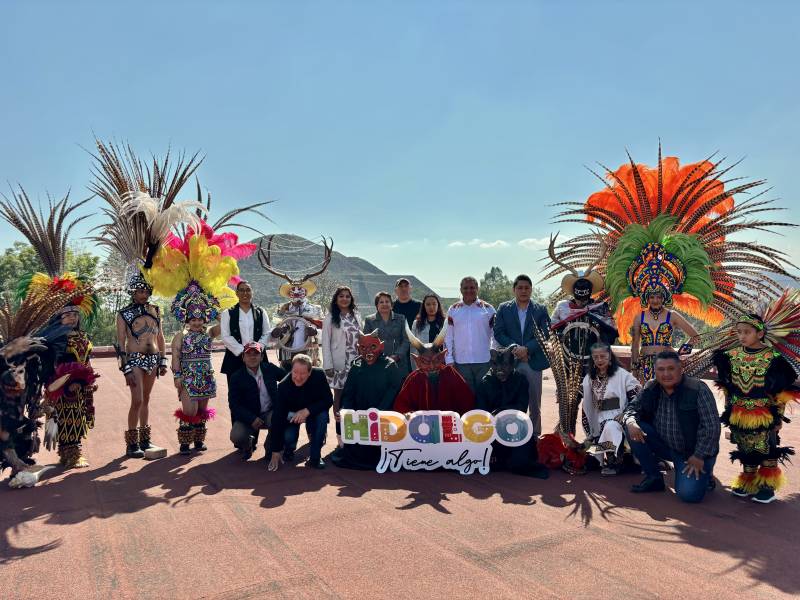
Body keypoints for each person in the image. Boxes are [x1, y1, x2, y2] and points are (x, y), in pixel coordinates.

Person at [713, 303, 799, 504]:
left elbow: (782, 391)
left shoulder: (774, 358)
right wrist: (729, 410)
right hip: (739, 412)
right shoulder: (730, 357)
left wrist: (778, 416)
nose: (742, 336)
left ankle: (767, 487)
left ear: (760, 334)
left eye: (747, 332)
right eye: (739, 332)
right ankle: (748, 481)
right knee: (744, 447)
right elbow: (727, 386)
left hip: (764, 413)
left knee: (767, 448)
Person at [623, 351, 720, 503]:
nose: (666, 374)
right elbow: (632, 408)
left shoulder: (698, 389)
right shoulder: (651, 387)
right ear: (655, 371)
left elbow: (712, 427)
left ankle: (705, 474)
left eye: (671, 369)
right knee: (633, 426)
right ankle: (654, 477)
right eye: (661, 370)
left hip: (693, 453)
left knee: (688, 495)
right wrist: (630, 421)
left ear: (680, 368)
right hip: (668, 447)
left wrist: (699, 455)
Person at [330, 330, 402, 469]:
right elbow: (349, 394)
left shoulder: (389, 365)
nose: (368, 351)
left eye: (372, 347)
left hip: (383, 417)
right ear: (358, 348)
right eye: (363, 348)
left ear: (380, 346)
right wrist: (345, 410)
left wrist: (380, 411)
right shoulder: (356, 366)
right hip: (361, 418)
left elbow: (394, 390)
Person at [259, 235, 332, 370]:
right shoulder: (282, 311)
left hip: (310, 354)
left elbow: (324, 331)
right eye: (293, 291)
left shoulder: (315, 309)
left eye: (300, 290)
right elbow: (273, 331)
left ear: (306, 292)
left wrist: (315, 331)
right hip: (287, 355)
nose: (297, 293)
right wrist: (276, 332)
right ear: (289, 294)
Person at [116, 272, 168, 458]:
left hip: (153, 358)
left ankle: (145, 439)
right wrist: (126, 367)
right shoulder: (124, 314)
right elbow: (121, 342)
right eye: (140, 290)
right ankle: (132, 444)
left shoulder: (155, 310)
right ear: (133, 292)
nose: (144, 294)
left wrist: (163, 359)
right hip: (135, 359)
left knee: (146, 399)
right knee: (136, 400)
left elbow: (160, 337)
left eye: (146, 290)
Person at [476, 347, 548, 478]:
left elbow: (521, 407)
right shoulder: (485, 383)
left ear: (512, 364)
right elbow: (481, 412)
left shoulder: (520, 380)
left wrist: (501, 411)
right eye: (495, 365)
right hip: (491, 431)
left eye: (504, 365)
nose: (499, 369)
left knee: (520, 462)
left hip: (515, 428)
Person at [493, 274, 550, 437]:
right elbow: (499, 332)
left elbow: (546, 333)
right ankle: (511, 435)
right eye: (520, 288)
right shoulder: (504, 308)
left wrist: (527, 349)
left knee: (534, 402)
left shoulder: (540, 309)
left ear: (531, 289)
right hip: (510, 362)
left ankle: (534, 436)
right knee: (511, 400)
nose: (523, 291)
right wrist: (515, 348)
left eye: (527, 288)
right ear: (514, 290)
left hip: (532, 361)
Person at [548, 237, 618, 367]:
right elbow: (551, 328)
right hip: (567, 360)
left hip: (594, 363)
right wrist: (559, 336)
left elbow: (611, 334)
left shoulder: (599, 308)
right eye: (579, 288)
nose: (582, 292)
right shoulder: (562, 307)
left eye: (585, 287)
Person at [170, 284, 221, 455]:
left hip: (206, 376)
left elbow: (224, 326)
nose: (197, 322)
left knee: (201, 409)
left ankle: (199, 441)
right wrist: (177, 376)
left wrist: (215, 309)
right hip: (188, 377)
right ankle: (185, 443)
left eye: (200, 319)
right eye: (193, 320)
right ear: (187, 321)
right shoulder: (180, 336)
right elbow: (176, 356)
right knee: (189, 410)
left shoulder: (209, 334)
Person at [45, 304, 98, 469]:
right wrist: (66, 382)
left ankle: (70, 454)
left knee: (79, 416)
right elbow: (53, 364)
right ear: (59, 318)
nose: (72, 317)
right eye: (67, 315)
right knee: (66, 417)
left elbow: (87, 360)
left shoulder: (83, 335)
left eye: (75, 314)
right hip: (63, 384)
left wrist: (89, 379)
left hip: (82, 384)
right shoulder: (55, 337)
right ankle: (71, 455)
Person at [578, 343, 640, 476]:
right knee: (588, 458)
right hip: (598, 418)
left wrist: (624, 413)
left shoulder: (623, 375)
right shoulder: (589, 378)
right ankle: (605, 457)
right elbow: (587, 402)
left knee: (611, 426)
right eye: (596, 357)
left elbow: (636, 396)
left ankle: (616, 462)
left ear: (610, 356)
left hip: (621, 416)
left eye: (603, 356)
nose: (599, 360)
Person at [268, 354, 333, 471]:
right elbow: (277, 417)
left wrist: (308, 411)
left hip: (312, 413)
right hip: (292, 416)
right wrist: (275, 451)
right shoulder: (283, 386)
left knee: (322, 416)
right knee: (288, 437)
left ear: (310, 372)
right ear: (291, 370)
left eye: (302, 373)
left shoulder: (319, 375)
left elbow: (328, 399)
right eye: (295, 372)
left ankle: (315, 457)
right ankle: (288, 449)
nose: (298, 377)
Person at [394, 324, 475, 414]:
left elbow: (466, 400)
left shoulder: (450, 374)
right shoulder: (414, 378)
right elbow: (401, 405)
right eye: (426, 362)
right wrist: (409, 414)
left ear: (442, 357)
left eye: (436, 360)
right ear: (418, 361)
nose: (432, 366)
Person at [228, 342, 286, 461]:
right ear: (243, 358)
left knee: (279, 419)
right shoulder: (236, 377)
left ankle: (270, 447)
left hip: (269, 412)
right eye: (249, 354)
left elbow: (288, 378)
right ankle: (248, 445)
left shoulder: (269, 368)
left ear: (262, 357)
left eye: (256, 354)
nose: (252, 357)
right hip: (249, 416)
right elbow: (234, 405)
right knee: (237, 436)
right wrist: (251, 418)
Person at [321, 286, 362, 445]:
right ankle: (340, 437)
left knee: (354, 397)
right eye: (341, 296)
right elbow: (325, 343)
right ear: (336, 299)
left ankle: (355, 433)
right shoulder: (331, 317)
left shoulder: (356, 315)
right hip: (339, 363)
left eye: (347, 296)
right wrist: (328, 365)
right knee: (339, 397)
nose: (344, 299)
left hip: (356, 363)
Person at [630, 290, 699, 383]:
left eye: (658, 297)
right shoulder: (639, 317)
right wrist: (634, 370)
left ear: (664, 298)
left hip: (667, 364)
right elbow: (635, 346)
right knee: (647, 395)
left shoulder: (672, 315)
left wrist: (680, 353)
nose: (655, 300)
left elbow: (696, 337)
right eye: (652, 297)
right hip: (645, 365)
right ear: (647, 298)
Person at [444, 277, 496, 393]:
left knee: (484, 395)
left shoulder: (488, 308)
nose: (469, 290)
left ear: (477, 289)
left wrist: (494, 352)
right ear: (460, 289)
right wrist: (449, 358)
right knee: (465, 396)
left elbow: (495, 334)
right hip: (461, 362)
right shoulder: (453, 309)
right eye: (465, 288)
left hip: (484, 360)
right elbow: (448, 336)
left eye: (472, 287)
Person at [220, 280, 271, 384]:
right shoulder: (228, 313)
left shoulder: (261, 312)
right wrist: (243, 351)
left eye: (248, 290)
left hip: (257, 357)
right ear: (236, 293)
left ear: (252, 293)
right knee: (237, 392)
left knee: (259, 390)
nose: (245, 293)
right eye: (242, 290)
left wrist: (257, 348)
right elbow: (225, 336)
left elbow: (267, 333)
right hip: (235, 358)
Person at [363, 292, 410, 377]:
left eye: (387, 301)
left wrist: (397, 356)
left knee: (399, 389)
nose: (384, 304)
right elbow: (366, 342)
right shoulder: (369, 320)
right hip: (377, 363)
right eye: (381, 302)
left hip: (398, 363)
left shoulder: (401, 318)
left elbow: (406, 340)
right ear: (377, 305)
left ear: (391, 305)